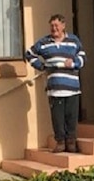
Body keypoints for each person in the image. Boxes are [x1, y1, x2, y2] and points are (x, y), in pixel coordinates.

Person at [25, 14, 86, 153]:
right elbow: (29, 54)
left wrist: (74, 63)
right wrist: (41, 66)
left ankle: (71, 142)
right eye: (52, 26)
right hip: (55, 87)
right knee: (57, 117)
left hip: (72, 88)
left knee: (71, 116)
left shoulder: (73, 41)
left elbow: (83, 57)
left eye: (56, 26)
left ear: (63, 26)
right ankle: (60, 142)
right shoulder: (44, 42)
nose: (54, 29)